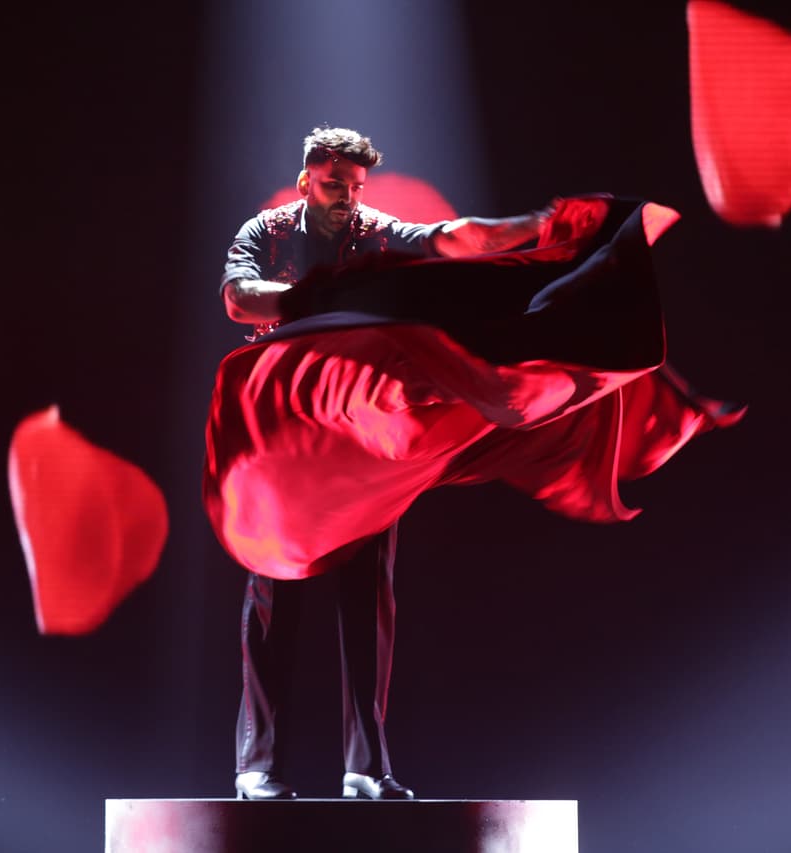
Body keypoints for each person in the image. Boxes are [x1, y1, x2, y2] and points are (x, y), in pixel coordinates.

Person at [220, 126, 553, 801]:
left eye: (356, 187)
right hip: (286, 436)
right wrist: (309, 300)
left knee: (367, 601)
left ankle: (364, 767)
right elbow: (237, 298)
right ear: (309, 175)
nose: (347, 198)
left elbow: (448, 238)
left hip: (359, 435)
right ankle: (258, 766)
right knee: (272, 602)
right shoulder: (267, 231)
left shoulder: (372, 229)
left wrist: (536, 225)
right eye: (336, 184)